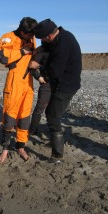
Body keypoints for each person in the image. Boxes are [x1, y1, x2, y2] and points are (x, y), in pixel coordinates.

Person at [29, 19, 82, 163]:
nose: (42, 41)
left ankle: (57, 155)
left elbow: (54, 71)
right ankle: (54, 141)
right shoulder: (63, 35)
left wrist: (37, 65)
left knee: (53, 116)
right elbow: (46, 48)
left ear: (49, 36)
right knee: (52, 114)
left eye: (42, 39)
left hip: (66, 86)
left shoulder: (62, 45)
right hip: (64, 83)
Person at [0, 17, 37, 163]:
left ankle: (21, 146)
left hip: (28, 82)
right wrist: (22, 51)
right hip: (14, 82)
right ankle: (5, 150)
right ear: (22, 31)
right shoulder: (7, 38)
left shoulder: (32, 38)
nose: (32, 38)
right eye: (30, 35)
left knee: (25, 118)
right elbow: (2, 58)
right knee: (9, 117)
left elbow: (33, 56)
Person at [28, 43, 51, 136]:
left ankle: (52, 131)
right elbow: (31, 66)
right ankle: (32, 130)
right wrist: (39, 77)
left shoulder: (59, 49)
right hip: (46, 84)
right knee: (39, 109)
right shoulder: (41, 50)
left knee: (53, 110)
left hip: (59, 85)